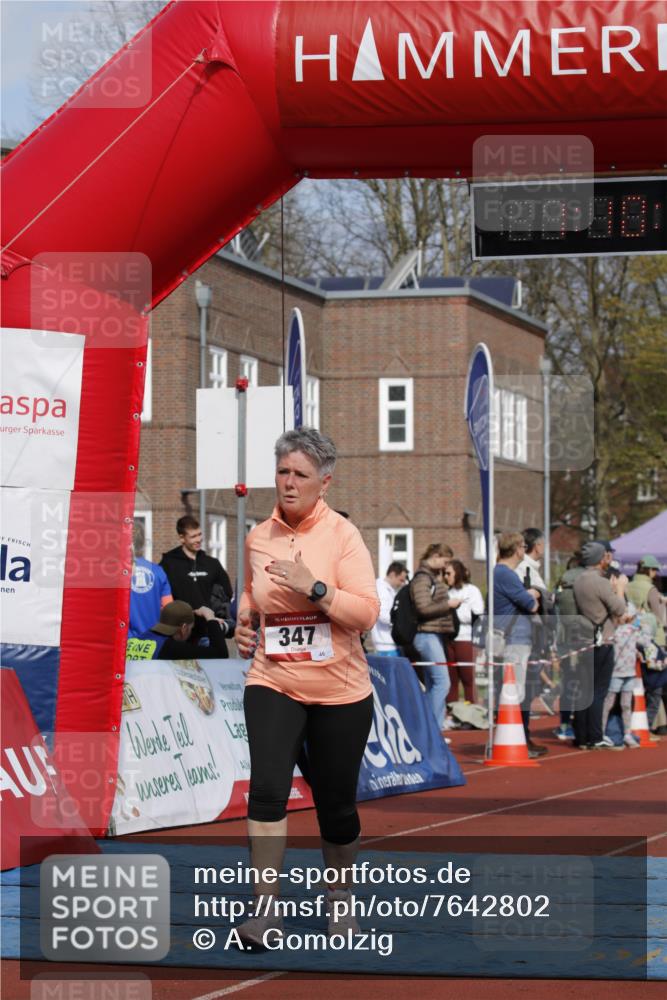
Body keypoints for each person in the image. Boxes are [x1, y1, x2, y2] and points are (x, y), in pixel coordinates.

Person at [233, 428, 380, 948]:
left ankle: (340, 900)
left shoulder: (343, 536)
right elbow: (251, 595)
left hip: (341, 690)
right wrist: (244, 623)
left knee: (336, 807)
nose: (289, 483)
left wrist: (315, 588)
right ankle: (265, 912)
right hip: (273, 679)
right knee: (267, 791)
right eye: (283, 472)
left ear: (325, 482)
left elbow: (366, 612)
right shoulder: (258, 537)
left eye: (300, 474)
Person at [572, 541, 630, 749]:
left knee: (585, 688)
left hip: (584, 639)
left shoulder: (578, 580)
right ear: (599, 559)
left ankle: (581, 736)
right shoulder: (600, 582)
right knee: (598, 690)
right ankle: (595, 736)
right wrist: (619, 589)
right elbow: (619, 608)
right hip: (602, 640)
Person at [493, 532, 543, 758]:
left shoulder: (499, 573)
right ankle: (516, 742)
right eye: (523, 546)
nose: (525, 550)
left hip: (511, 637)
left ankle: (518, 740)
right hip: (514, 639)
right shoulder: (506, 574)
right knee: (515, 691)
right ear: (516, 549)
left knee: (512, 690)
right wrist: (533, 593)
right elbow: (531, 605)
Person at [160, 515, 234, 651]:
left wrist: (218, 617)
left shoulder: (212, 564)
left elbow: (226, 594)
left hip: (208, 633)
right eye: (193, 536)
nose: (198, 539)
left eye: (200, 534)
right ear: (182, 538)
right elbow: (162, 597)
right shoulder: (169, 564)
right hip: (179, 635)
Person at [410, 543, 460, 732]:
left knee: (434, 683)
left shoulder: (430, 576)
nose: (446, 567)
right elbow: (423, 608)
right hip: (426, 635)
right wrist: (448, 605)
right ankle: (432, 730)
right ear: (436, 556)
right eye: (445, 562)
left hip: (432, 635)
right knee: (442, 683)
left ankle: (432, 730)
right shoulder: (423, 578)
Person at [126, 600, 230, 660]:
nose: (191, 632)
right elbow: (220, 653)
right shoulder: (170, 648)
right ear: (184, 628)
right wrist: (210, 618)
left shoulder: (134, 641)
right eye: (191, 628)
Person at [443, 559, 483, 703]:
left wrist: (454, 610)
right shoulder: (447, 592)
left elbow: (478, 615)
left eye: (448, 573)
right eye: (444, 573)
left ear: (457, 573)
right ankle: (452, 710)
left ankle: (471, 711)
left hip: (466, 639)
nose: (445, 577)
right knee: (451, 680)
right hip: (448, 640)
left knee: (468, 679)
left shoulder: (472, 591)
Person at [128, 521, 172, 639]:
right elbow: (169, 609)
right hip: (154, 640)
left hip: (127, 642)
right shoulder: (158, 571)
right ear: (144, 542)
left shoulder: (118, 573)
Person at [370, 561, 408, 656]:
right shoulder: (381, 590)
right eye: (401, 580)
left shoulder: (389, 590)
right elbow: (383, 615)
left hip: (389, 642)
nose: (402, 584)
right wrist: (401, 622)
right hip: (385, 644)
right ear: (392, 575)